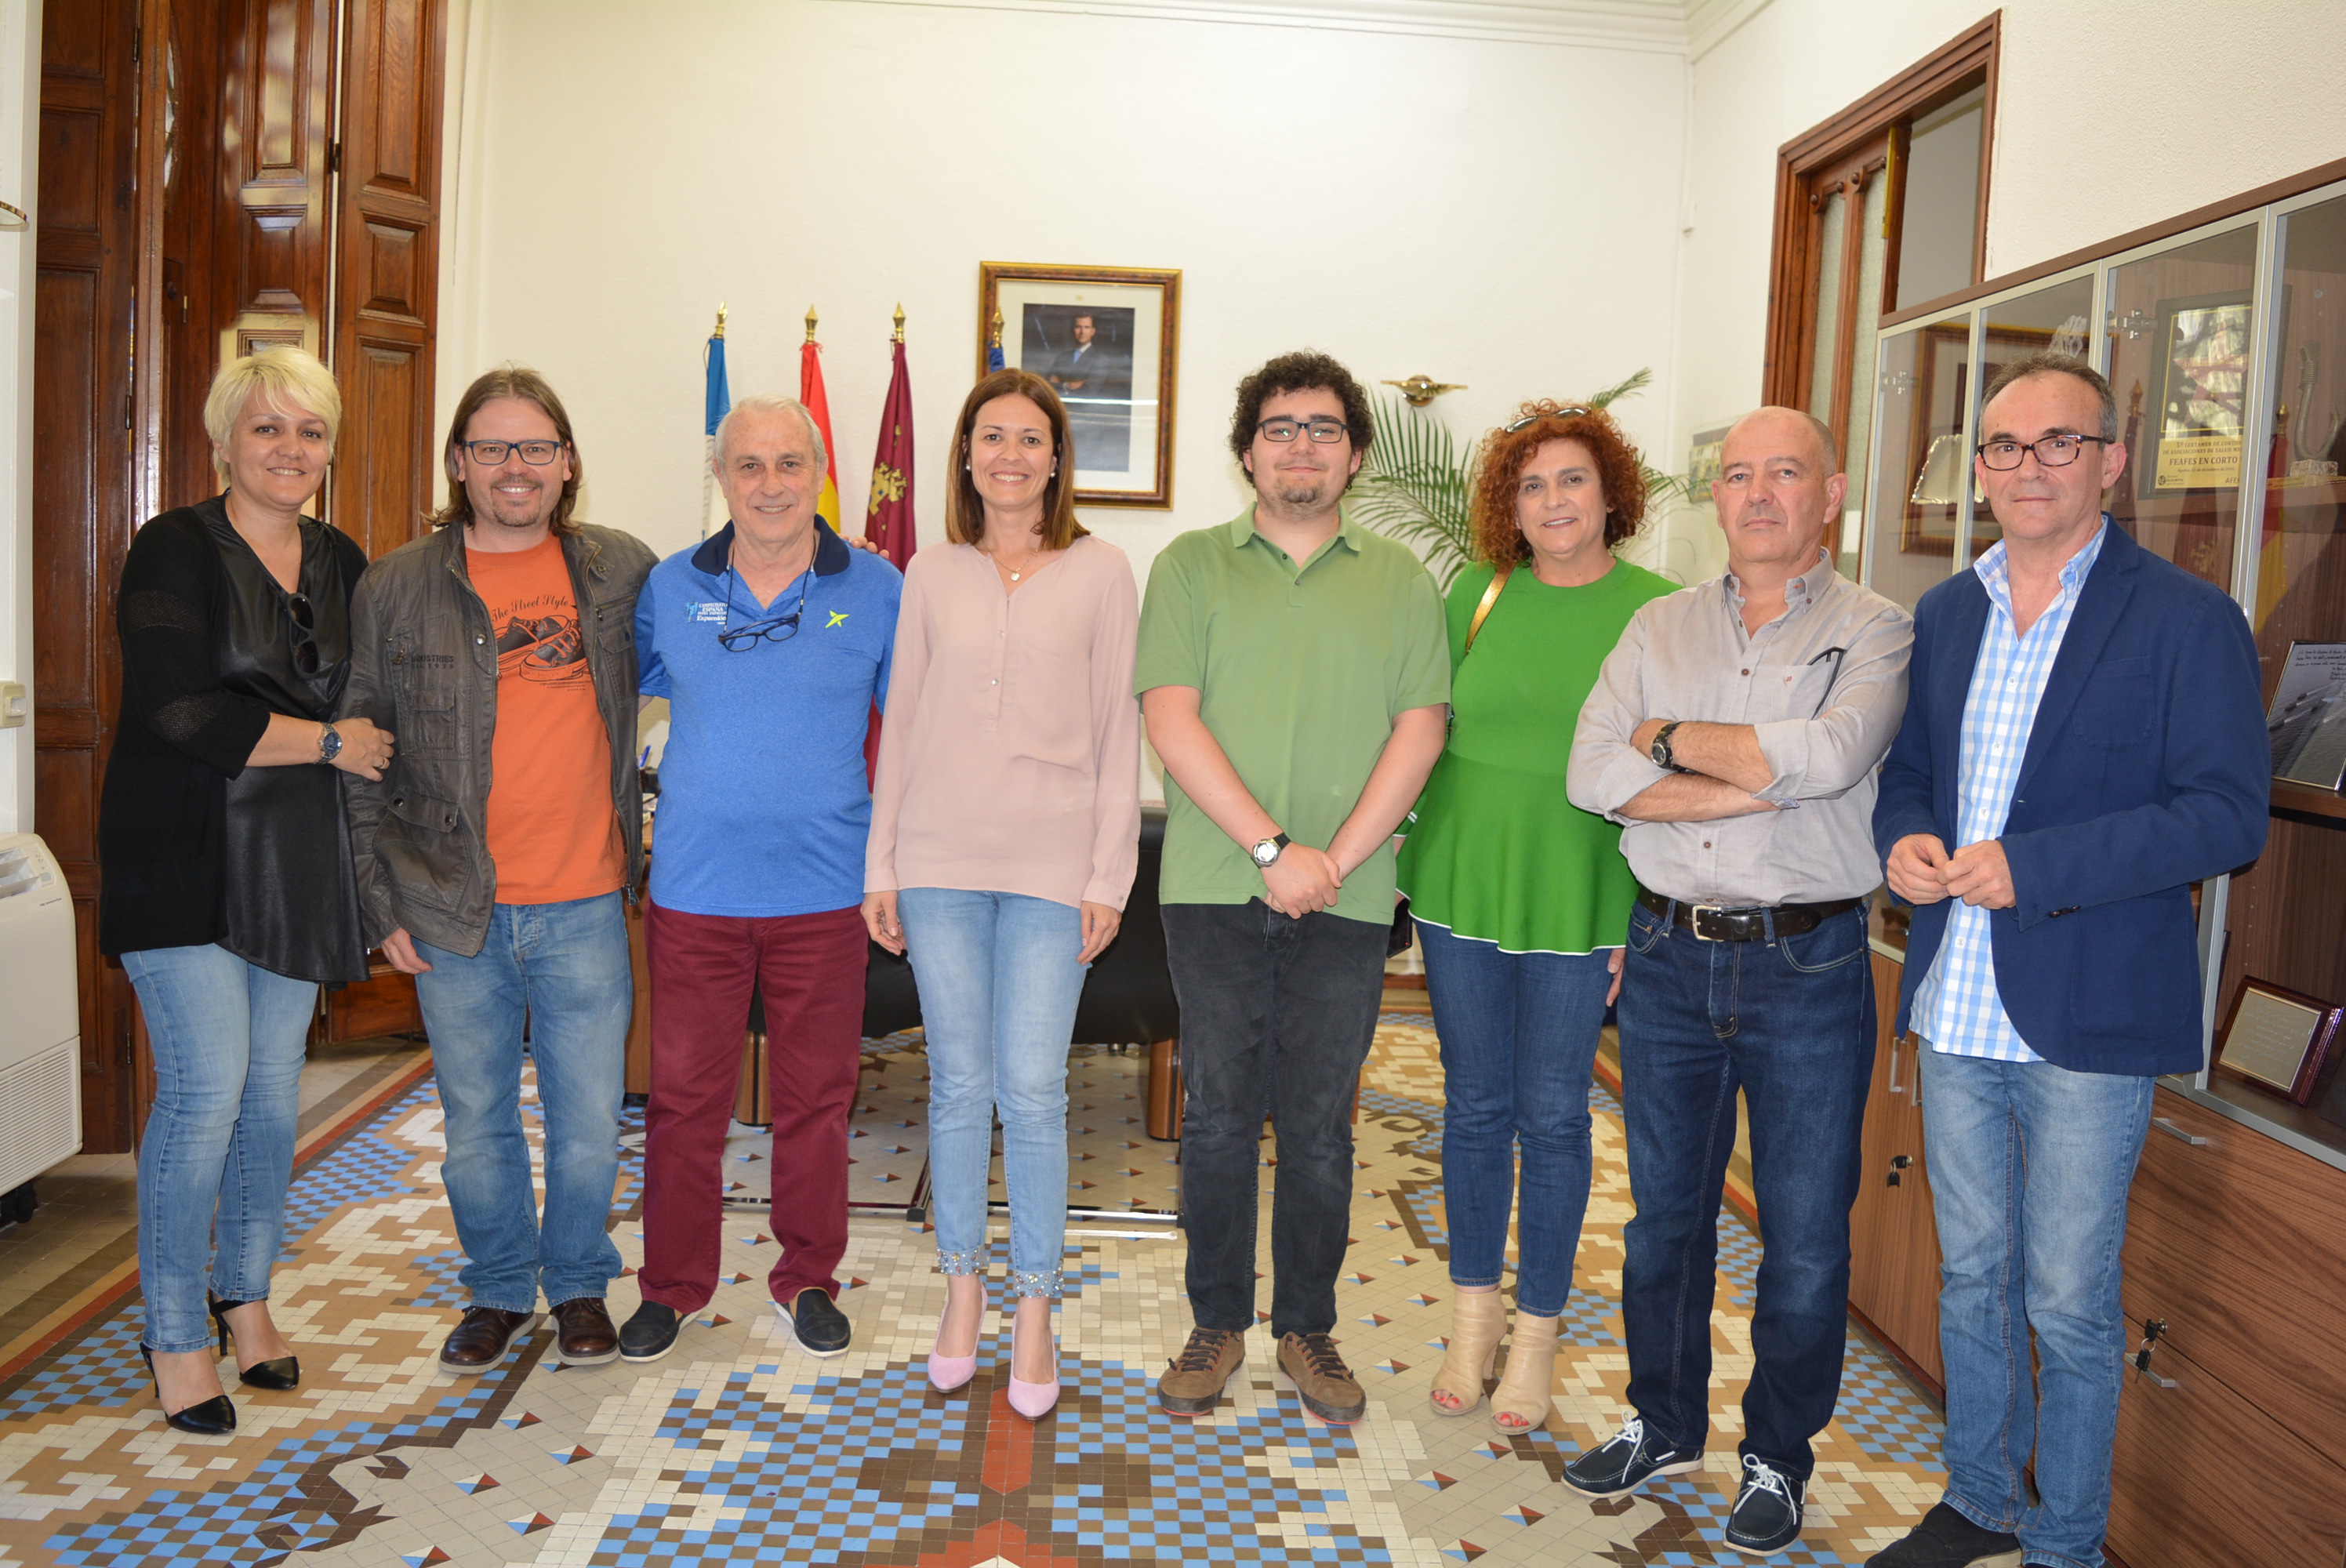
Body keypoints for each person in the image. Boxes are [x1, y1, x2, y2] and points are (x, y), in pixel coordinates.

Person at [1865, 354, 2267, 1568]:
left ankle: (2066, 1544)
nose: (2026, 468)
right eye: (2001, 446)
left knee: (2069, 1303)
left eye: (2056, 444)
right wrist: (1906, 841)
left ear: (2110, 460)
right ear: (1976, 466)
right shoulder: (1947, 611)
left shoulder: (2189, 618)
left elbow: (2226, 816)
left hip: (2090, 1016)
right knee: (1972, 1277)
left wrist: (2036, 865)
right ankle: (1979, 1501)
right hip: (1956, 1002)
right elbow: (1911, 777)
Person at [1564, 406, 1912, 1555]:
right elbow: (1591, 770)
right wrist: (1754, 767)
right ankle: (1663, 1422)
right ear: (1713, 496)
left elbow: (1838, 755)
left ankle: (1777, 1454)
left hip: (1809, 963)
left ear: (1831, 492)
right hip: (1667, 957)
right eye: (1737, 475)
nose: (1758, 494)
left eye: (1785, 474)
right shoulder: (1656, 625)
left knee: (1806, 1233)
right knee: (1663, 1218)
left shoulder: (1879, 627)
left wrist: (1667, 740)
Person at [1138, 350, 1449, 1426]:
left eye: (1323, 428)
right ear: (1246, 453)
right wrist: (1277, 851)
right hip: (1217, 888)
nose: (1302, 445)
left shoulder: (1402, 582)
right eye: (1280, 428)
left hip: (1350, 898)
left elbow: (1421, 729)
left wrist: (1333, 861)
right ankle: (1216, 1321)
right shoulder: (1189, 567)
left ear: (1354, 452)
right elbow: (1170, 719)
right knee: (1220, 1118)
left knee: (1319, 1124)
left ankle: (1307, 1329)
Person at [99, 347, 392, 1433]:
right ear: (224, 439)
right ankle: (174, 1331)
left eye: (309, 431)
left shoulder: (341, 555)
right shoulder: (171, 546)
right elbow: (178, 710)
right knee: (208, 1090)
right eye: (267, 428)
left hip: (295, 868)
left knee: (274, 1099)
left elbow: (375, 702)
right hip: (180, 860)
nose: (290, 449)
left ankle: (247, 1298)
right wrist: (325, 744)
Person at [342, 366, 656, 1374]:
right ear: (458, 464)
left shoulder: (621, 570)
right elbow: (360, 741)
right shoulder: (397, 583)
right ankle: (494, 1287)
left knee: (586, 1125)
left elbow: (725, 625)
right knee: (476, 1124)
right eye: (491, 448)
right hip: (449, 903)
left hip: (584, 902)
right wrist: (375, 895)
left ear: (567, 463)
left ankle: (575, 1282)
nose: (514, 468)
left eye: (534, 448)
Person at [862, 368, 1141, 1417]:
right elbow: (904, 731)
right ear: (967, 455)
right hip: (936, 861)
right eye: (991, 437)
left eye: (1030, 438)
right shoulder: (930, 572)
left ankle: (1034, 1306)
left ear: (1058, 458)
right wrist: (880, 863)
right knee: (956, 1085)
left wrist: (1109, 874)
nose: (1010, 455)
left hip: (1050, 872)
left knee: (1031, 1090)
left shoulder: (1104, 571)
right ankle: (961, 1290)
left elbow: (1122, 731)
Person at [1397, 401, 1676, 1435]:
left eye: (1571, 481)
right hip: (1462, 877)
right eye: (1531, 485)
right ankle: (1472, 1326)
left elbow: (1664, 764)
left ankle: (1536, 1341)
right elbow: (1426, 729)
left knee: (1555, 1116)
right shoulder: (1475, 591)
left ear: (1611, 496)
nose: (1552, 501)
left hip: (1583, 890)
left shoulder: (1658, 609)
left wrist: (1631, 915)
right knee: (1473, 1107)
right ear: (1507, 507)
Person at [617, 394, 902, 1367]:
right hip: (696, 893)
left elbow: (911, 736)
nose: (771, 483)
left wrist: (895, 866)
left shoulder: (874, 586)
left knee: (816, 1102)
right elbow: (623, 703)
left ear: (818, 470)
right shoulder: (667, 586)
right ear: (721, 475)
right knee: (682, 1103)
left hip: (825, 895)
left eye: (790, 463)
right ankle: (673, 1286)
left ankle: (808, 1275)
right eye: (749, 465)